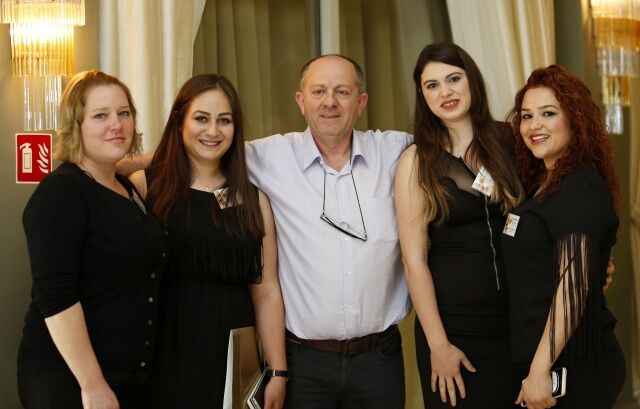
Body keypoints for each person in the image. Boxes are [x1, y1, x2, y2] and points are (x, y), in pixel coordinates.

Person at [245, 54, 412, 408]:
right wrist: (125, 167)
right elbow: (199, 153)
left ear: (361, 102)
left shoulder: (396, 152)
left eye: (342, 92)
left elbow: (456, 142)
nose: (330, 102)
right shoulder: (271, 157)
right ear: (301, 101)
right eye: (318, 91)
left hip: (379, 361)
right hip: (303, 363)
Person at [128, 74, 287, 409]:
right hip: (165, 347)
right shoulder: (145, 186)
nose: (213, 131)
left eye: (224, 121)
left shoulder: (253, 199)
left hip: (233, 352)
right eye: (201, 118)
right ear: (179, 122)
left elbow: (267, 290)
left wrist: (277, 371)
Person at [17, 70, 166, 409]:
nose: (117, 124)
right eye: (101, 115)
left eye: (124, 113)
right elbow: (55, 295)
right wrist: (92, 384)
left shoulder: (125, 186)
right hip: (70, 379)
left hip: (125, 376)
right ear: (76, 125)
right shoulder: (61, 192)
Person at [394, 42, 524, 408]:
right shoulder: (416, 161)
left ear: (472, 81)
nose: (445, 92)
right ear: (422, 96)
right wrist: (438, 345)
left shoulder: (511, 140)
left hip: (518, 324)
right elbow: (414, 261)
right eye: (432, 85)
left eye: (453, 79)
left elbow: (551, 212)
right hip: (454, 333)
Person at [503, 64, 625, 409]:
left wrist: (540, 370)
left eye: (548, 113)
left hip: (572, 364)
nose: (534, 125)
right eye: (527, 116)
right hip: (549, 360)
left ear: (575, 119)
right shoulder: (544, 183)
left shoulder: (579, 186)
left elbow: (572, 287)